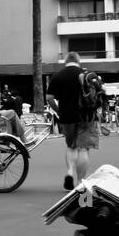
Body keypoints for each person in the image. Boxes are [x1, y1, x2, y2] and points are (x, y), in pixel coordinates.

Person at [47, 52, 99, 190]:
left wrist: (59, 111)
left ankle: (70, 172)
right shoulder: (85, 74)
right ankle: (81, 183)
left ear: (66, 61)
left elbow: (49, 98)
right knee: (83, 149)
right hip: (86, 116)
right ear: (78, 61)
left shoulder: (57, 76)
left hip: (66, 117)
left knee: (71, 146)